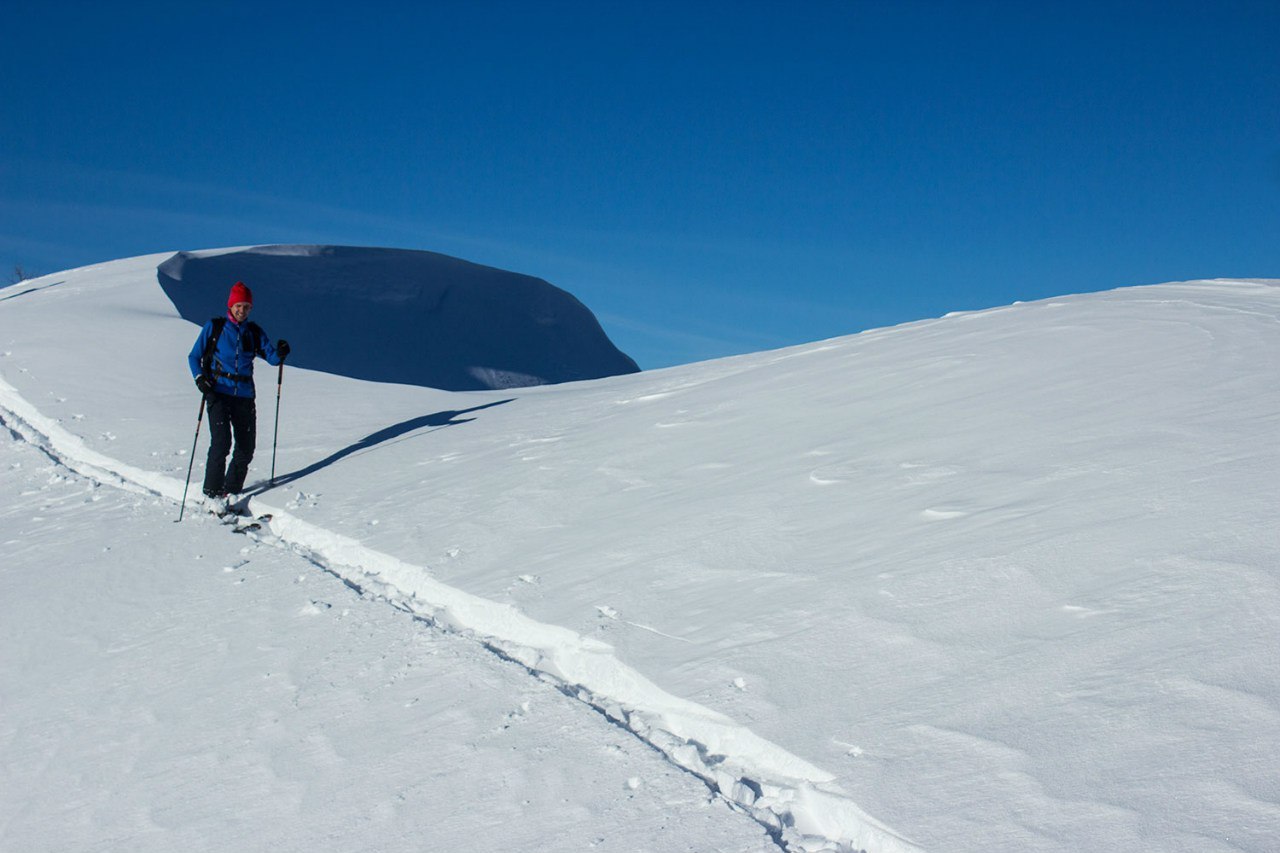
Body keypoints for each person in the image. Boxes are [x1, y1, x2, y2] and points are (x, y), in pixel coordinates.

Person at [187, 281, 290, 502]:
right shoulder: (215, 327)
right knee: (222, 442)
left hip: (244, 395)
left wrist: (281, 353)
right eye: (238, 306)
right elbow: (194, 356)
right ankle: (211, 494)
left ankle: (231, 491)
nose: (242, 310)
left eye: (246, 306)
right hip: (218, 392)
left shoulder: (253, 332)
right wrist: (200, 379)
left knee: (246, 447)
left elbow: (271, 357)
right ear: (230, 305)